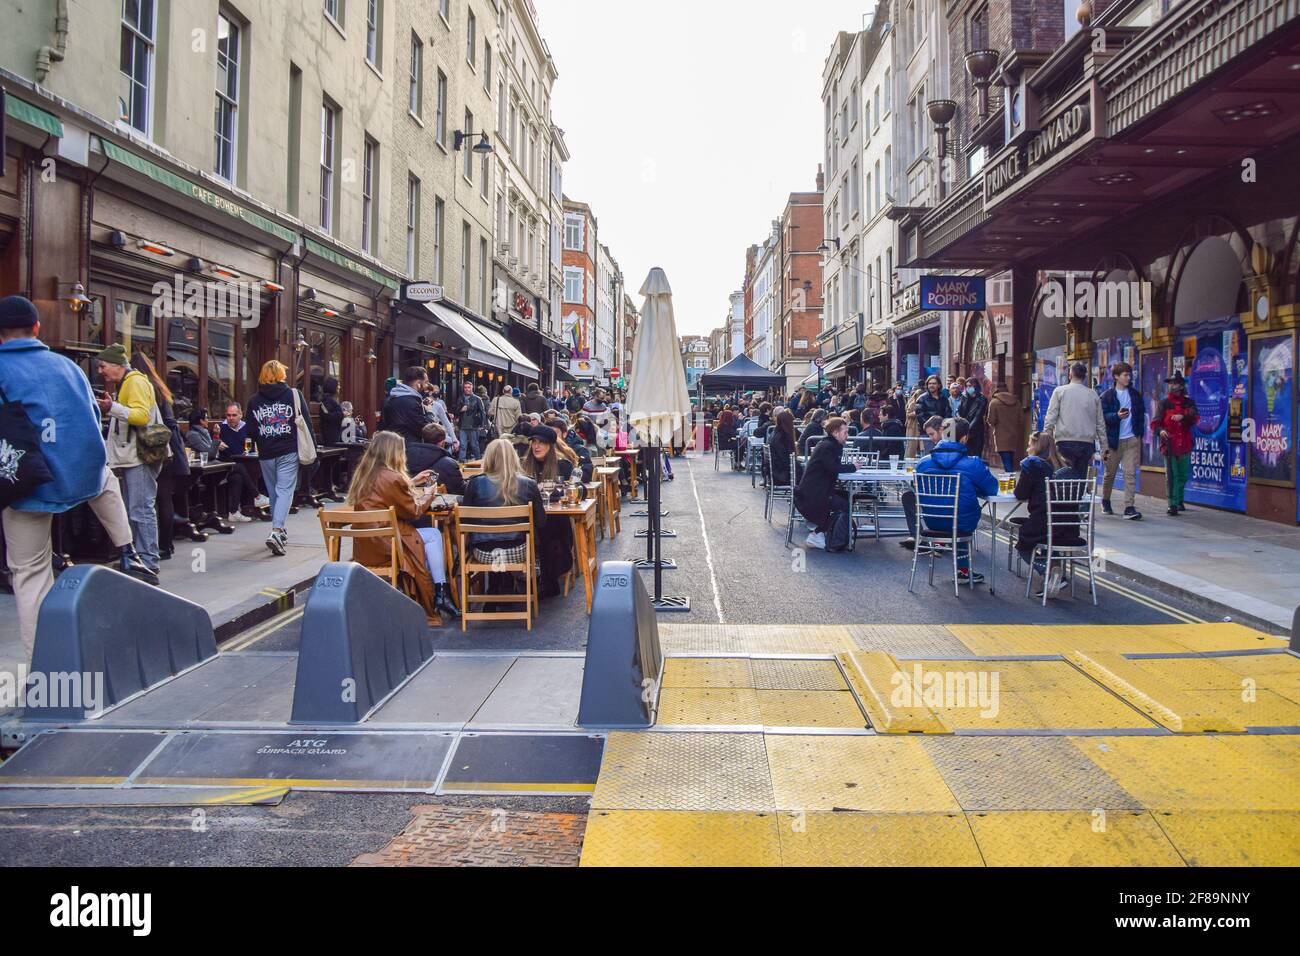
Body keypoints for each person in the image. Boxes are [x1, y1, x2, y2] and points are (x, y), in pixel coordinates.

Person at [0, 296, 154, 653]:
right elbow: (90, 422)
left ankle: (42, 663)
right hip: (79, 473)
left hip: (24, 485)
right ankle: (127, 547)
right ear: (36, 328)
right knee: (104, 480)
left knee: (29, 572)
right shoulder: (67, 368)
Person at [344, 431, 454, 625]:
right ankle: (440, 591)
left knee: (424, 539)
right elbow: (414, 512)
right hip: (388, 544)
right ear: (393, 452)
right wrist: (429, 493)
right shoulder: (394, 477)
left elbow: (383, 493)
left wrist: (412, 482)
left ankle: (438, 593)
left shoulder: (365, 473)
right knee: (433, 535)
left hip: (366, 547)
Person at [899, 417, 999, 585]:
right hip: (961, 523)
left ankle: (963, 571)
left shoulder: (923, 464)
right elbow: (992, 489)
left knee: (955, 515)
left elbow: (916, 486)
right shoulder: (973, 464)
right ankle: (963, 571)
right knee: (961, 517)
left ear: (943, 435)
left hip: (932, 521)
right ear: (964, 438)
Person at [463, 437, 564, 598]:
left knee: (495, 543)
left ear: (488, 457)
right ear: (514, 457)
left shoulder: (474, 484)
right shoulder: (528, 483)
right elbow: (541, 521)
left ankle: (498, 589)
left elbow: (465, 521)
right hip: (518, 550)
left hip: (483, 552)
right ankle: (508, 587)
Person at [97, 343, 166, 577]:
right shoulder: (127, 382)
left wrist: (112, 407)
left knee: (140, 508)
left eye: (103, 366)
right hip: (134, 456)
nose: (101, 371)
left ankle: (148, 561)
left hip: (140, 456)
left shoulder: (134, 382)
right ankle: (141, 558)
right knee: (136, 508)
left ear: (117, 366)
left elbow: (140, 416)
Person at [246, 359, 313, 556]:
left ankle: (281, 531)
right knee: (284, 490)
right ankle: (276, 531)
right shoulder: (293, 394)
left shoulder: (254, 400)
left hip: (266, 452)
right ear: (281, 375)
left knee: (275, 493)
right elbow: (306, 423)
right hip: (288, 449)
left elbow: (251, 429)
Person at [1012, 431, 1081, 596]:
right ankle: (1056, 570)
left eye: (1029, 445)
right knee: (1048, 539)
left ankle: (1049, 572)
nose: (1028, 448)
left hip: (1044, 523)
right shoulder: (1065, 466)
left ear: (1036, 446)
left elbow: (1020, 494)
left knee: (1024, 542)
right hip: (1069, 527)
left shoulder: (1032, 465)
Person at [793, 415, 854, 550]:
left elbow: (832, 468)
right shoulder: (828, 446)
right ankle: (820, 533)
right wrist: (854, 467)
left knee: (846, 498)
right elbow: (833, 468)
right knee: (845, 504)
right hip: (814, 495)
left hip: (814, 491)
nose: (847, 435)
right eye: (845, 432)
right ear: (835, 432)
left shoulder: (828, 444)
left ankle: (824, 533)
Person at [1043, 362, 1109, 476]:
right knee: (1081, 478)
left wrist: (1046, 438)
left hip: (1064, 441)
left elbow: (1051, 417)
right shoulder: (1093, 395)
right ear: (1084, 377)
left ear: (1070, 375)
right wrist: (1104, 448)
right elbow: (1100, 424)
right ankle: (1079, 494)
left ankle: (1066, 494)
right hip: (1086, 444)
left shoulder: (1059, 391)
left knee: (1062, 477)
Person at [1099, 362, 1145, 520]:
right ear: (1116, 376)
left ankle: (1129, 507)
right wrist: (1116, 416)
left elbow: (1140, 414)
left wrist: (1138, 434)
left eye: (1129, 374)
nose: (1128, 377)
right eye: (1125, 375)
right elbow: (1102, 417)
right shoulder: (1107, 396)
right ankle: (1105, 501)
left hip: (1131, 439)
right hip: (1113, 441)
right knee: (1110, 474)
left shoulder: (1135, 394)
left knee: (1130, 474)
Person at [1154, 370, 1199, 516]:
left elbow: (1194, 416)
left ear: (1181, 385)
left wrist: (1183, 416)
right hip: (1169, 444)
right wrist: (1161, 431)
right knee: (1171, 474)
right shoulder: (1164, 403)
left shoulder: (1188, 402)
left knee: (1182, 475)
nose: (1174, 386)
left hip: (1184, 443)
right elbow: (1156, 423)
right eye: (1172, 383)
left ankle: (1179, 500)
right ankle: (1171, 504)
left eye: (1176, 383)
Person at [405, 423, 465, 496]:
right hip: (437, 504)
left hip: (410, 501)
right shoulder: (448, 464)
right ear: (442, 443)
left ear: (423, 439)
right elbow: (460, 491)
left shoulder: (404, 460)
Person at [380, 367, 434, 444]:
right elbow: (426, 430)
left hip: (391, 446)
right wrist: (429, 412)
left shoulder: (390, 398)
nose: (426, 385)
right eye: (425, 382)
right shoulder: (412, 403)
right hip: (408, 447)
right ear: (418, 384)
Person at [985, 382, 1021, 474]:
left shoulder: (994, 402)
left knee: (1006, 462)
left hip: (1000, 436)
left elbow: (991, 420)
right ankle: (1011, 482)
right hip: (1014, 435)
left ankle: (1011, 484)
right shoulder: (1016, 401)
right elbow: (1021, 418)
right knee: (1010, 460)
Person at [456, 380, 487, 461]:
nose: (467, 389)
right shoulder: (460, 398)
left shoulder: (477, 399)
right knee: (463, 445)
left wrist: (483, 425)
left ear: (472, 388)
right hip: (462, 425)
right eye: (465, 387)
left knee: (474, 444)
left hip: (473, 425)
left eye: (468, 387)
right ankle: (462, 460)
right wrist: (460, 410)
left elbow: (482, 413)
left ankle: (478, 459)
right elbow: (455, 411)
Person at [958, 380, 989, 461]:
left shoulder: (982, 399)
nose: (969, 388)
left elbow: (978, 415)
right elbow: (960, 412)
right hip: (964, 429)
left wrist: (968, 428)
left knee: (976, 454)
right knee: (965, 453)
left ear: (976, 387)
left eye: (971, 386)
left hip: (976, 429)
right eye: (967, 386)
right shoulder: (964, 397)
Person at [769, 409, 798, 486]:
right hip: (782, 475)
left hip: (777, 473)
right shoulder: (782, 438)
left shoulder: (777, 435)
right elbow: (786, 459)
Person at [319, 377, 345, 445]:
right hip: (330, 437)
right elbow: (327, 416)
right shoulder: (327, 400)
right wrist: (342, 414)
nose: (339, 387)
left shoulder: (331, 399)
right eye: (338, 385)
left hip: (334, 435)